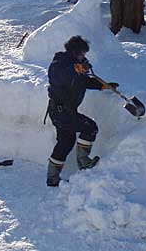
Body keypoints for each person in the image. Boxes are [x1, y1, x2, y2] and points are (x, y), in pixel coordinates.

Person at [45, 36, 118, 187]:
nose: (84, 56)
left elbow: (84, 82)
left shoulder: (77, 65)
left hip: (66, 111)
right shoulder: (59, 63)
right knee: (90, 127)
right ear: (74, 51)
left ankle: (52, 178)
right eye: (82, 53)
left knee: (65, 142)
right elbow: (58, 77)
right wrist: (75, 69)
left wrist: (102, 86)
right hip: (60, 110)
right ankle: (84, 162)